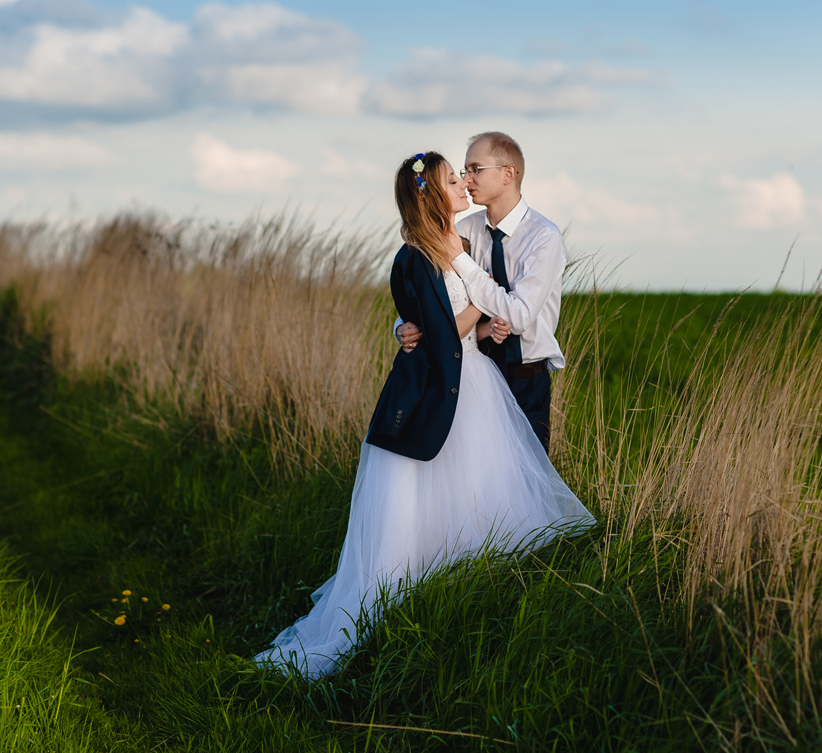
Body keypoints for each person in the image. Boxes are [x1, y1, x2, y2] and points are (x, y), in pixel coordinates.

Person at [253, 152, 593, 679]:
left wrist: (483, 328)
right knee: (440, 495)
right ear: (431, 195)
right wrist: (482, 308)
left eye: (466, 175)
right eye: (453, 179)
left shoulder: (465, 237)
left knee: (477, 498)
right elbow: (435, 331)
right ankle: (413, 614)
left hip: (479, 384)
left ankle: (476, 604)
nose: (463, 183)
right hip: (452, 390)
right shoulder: (419, 254)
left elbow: (447, 322)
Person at [396, 132, 566, 452]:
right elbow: (428, 293)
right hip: (470, 373)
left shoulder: (545, 238)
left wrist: (462, 259)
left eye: (475, 168)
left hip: (525, 378)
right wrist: (401, 326)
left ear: (507, 174)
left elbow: (518, 316)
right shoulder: (463, 228)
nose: (467, 179)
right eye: (464, 171)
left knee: (526, 481)